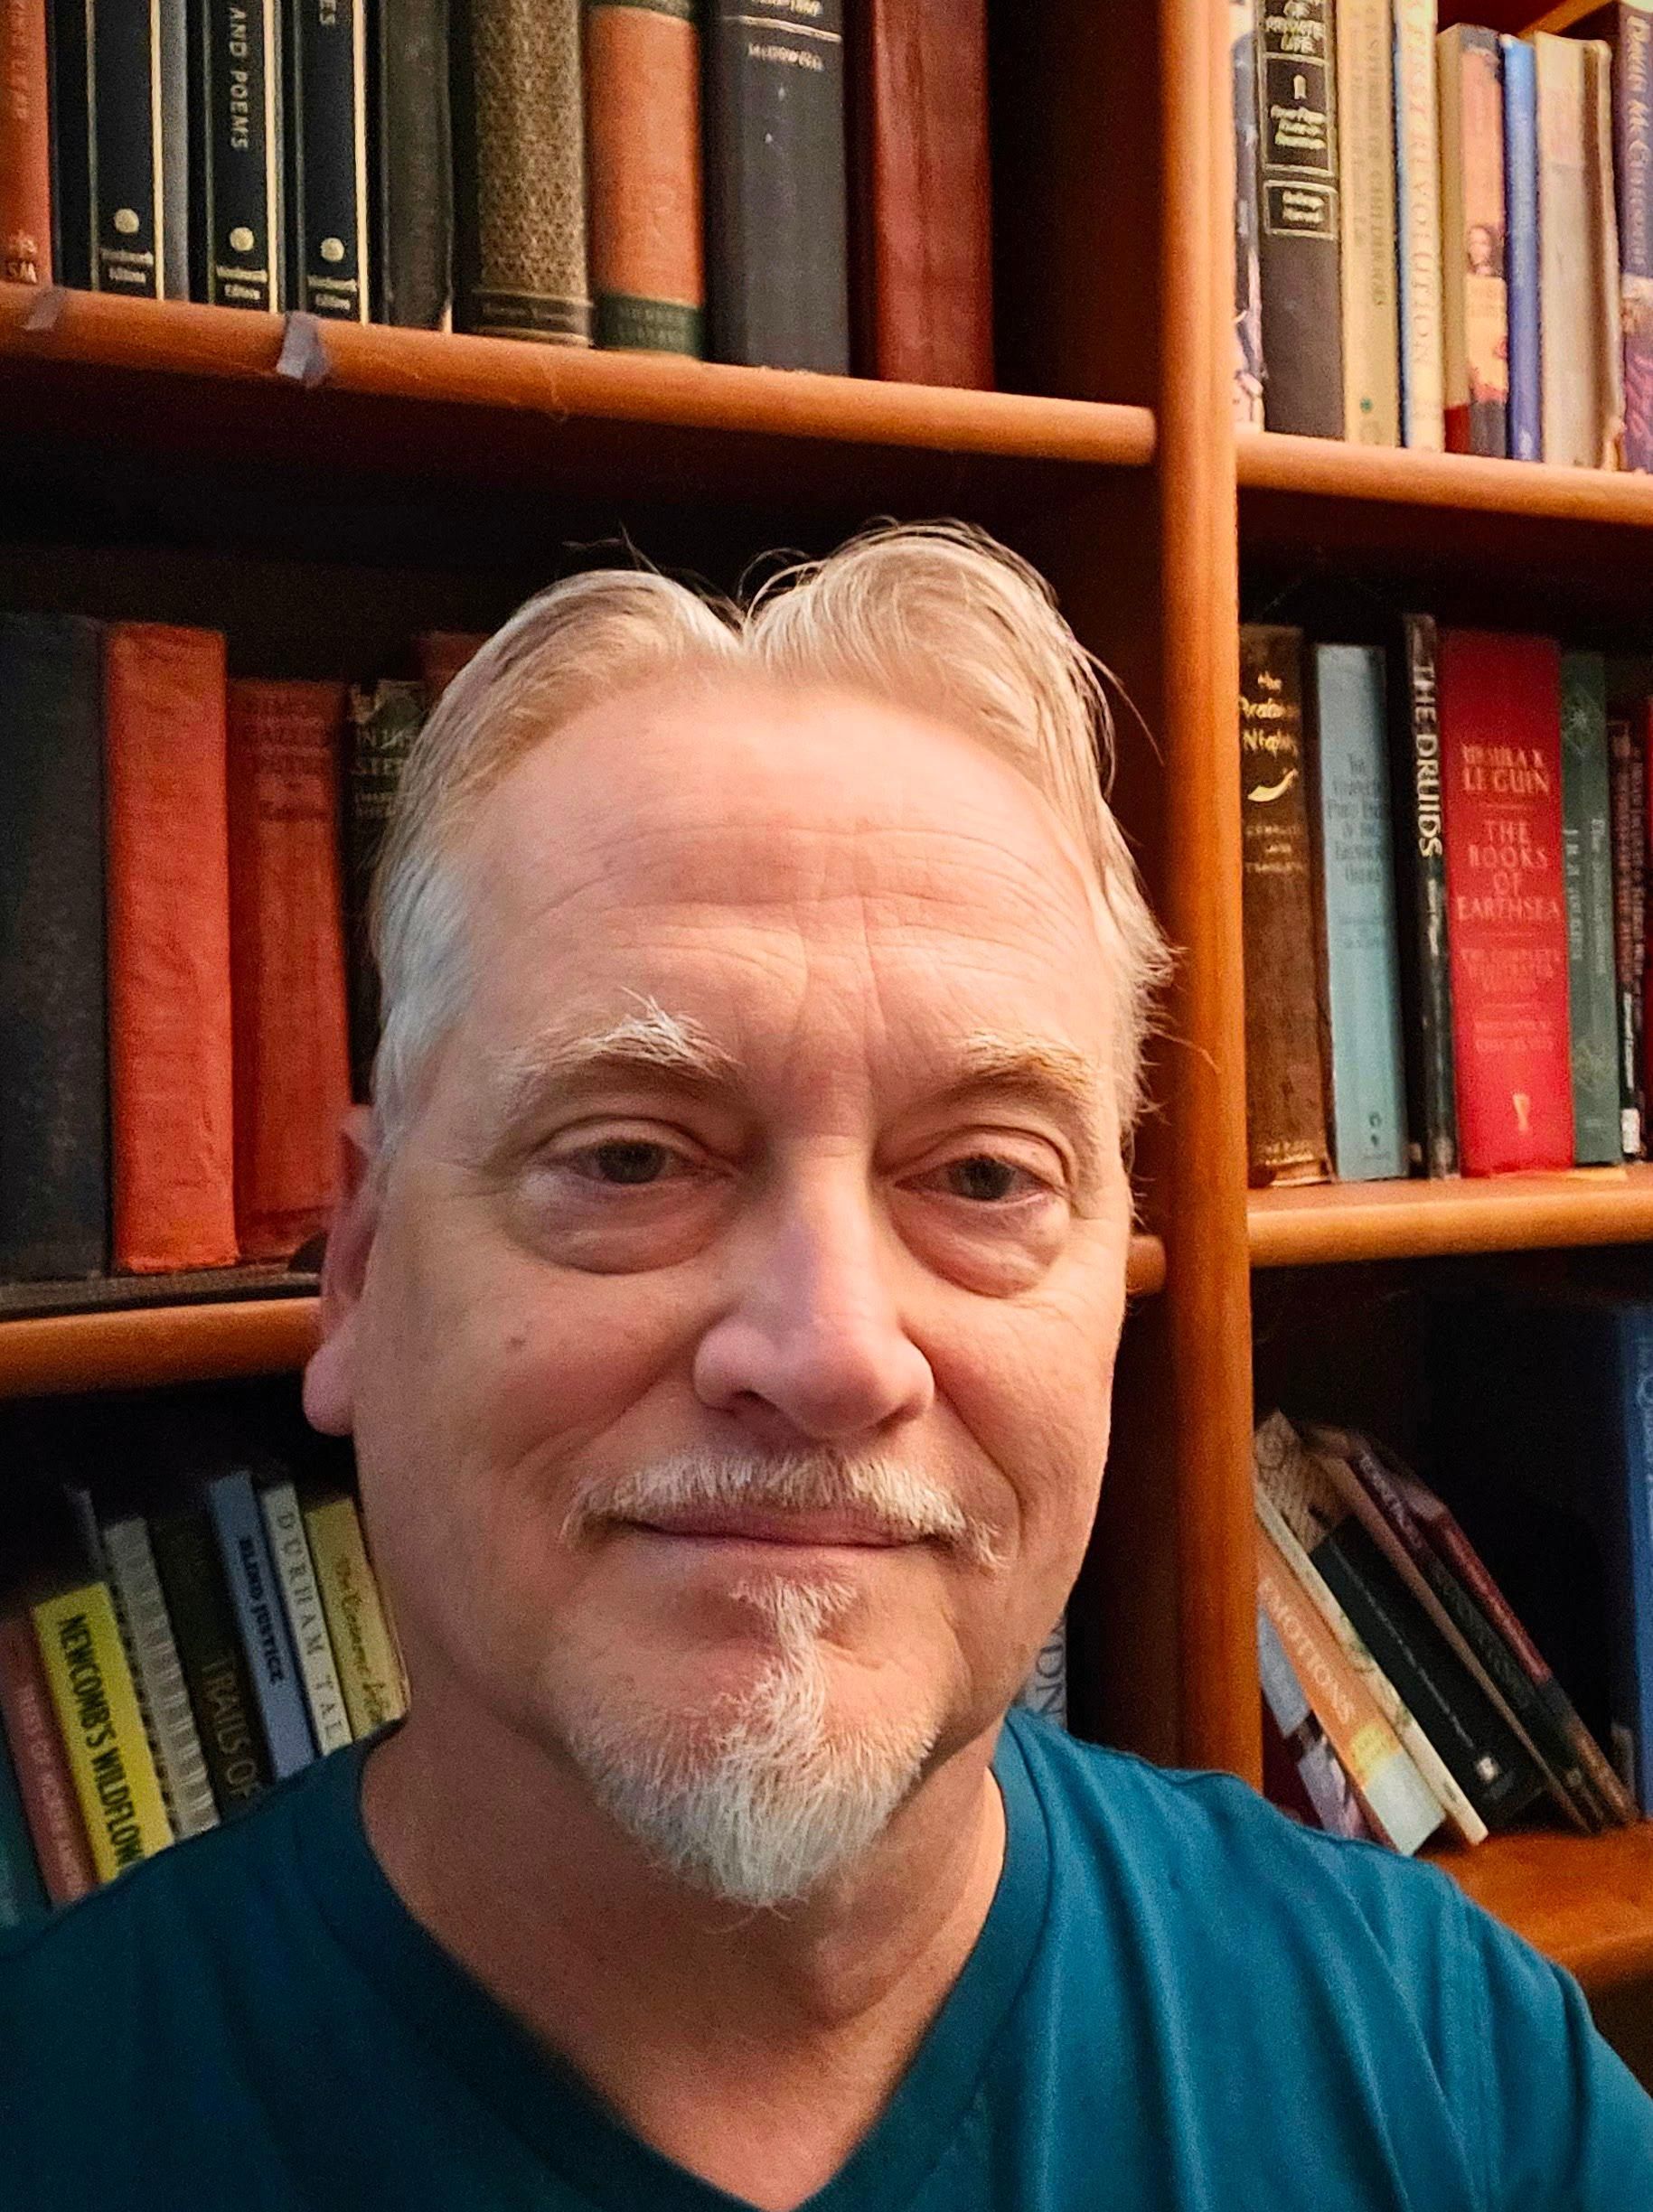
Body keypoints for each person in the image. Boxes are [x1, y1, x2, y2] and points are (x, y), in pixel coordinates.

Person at [3, 525, 1650, 2207]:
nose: (829, 1353)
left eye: (985, 1176)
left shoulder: (1455, 2076)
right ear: (355, 1274)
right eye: (629, 1158)